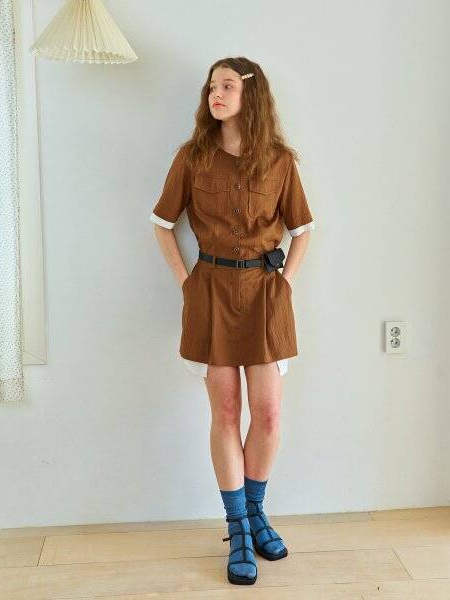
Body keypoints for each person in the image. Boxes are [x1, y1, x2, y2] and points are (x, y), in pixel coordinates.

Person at [150, 56, 315, 585]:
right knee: (225, 412)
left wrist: (285, 282)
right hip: (211, 295)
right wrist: (187, 282)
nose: (215, 94)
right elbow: (161, 223)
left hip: (266, 296)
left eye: (226, 85)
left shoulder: (280, 160)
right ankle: (238, 528)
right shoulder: (192, 157)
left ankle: (257, 511)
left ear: (251, 94)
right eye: (211, 87)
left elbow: (303, 230)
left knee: (267, 416)